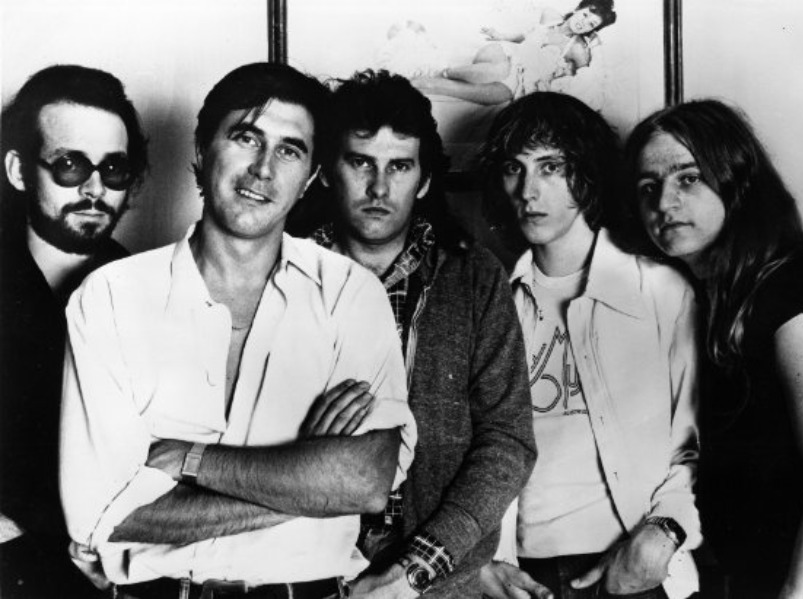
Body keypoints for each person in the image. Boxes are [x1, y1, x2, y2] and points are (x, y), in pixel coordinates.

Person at [59, 62, 417, 599]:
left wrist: (189, 459)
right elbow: (100, 513)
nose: (263, 169)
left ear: (311, 177)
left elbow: (363, 481)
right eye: (246, 138)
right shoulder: (111, 296)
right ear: (202, 152)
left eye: (290, 150)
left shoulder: (350, 295)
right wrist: (307, 480)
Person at [627, 99, 803, 599]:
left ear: (735, 183)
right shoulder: (712, 300)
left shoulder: (792, 297)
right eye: (648, 187)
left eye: (688, 178)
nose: (664, 202)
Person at [310, 69, 537, 598]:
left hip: (439, 579)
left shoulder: (474, 277)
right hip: (310, 573)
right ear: (326, 172)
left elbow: (507, 442)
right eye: (361, 162)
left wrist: (416, 568)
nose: (379, 188)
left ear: (425, 180)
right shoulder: (285, 273)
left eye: (400, 166)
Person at [478, 92, 701, 599]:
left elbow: (695, 441)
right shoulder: (493, 302)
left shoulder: (660, 289)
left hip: (638, 567)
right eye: (514, 168)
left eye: (550, 167)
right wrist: (489, 560)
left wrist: (664, 532)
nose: (528, 191)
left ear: (587, 173)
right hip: (523, 576)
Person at [0, 64, 148, 598]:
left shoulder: (150, 291)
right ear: (19, 170)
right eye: (69, 165)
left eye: (113, 169)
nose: (94, 188)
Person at [411, 0, 616, 105]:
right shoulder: (550, 15)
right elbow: (528, 35)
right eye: (586, 15)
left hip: (521, 84)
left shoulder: (579, 50)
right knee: (500, 69)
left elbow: (585, 86)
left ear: (593, 30)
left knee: (487, 85)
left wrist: (559, 81)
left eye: (591, 24)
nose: (583, 23)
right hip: (504, 54)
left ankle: (426, 81)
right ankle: (443, 71)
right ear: (579, 8)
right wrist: (501, 35)